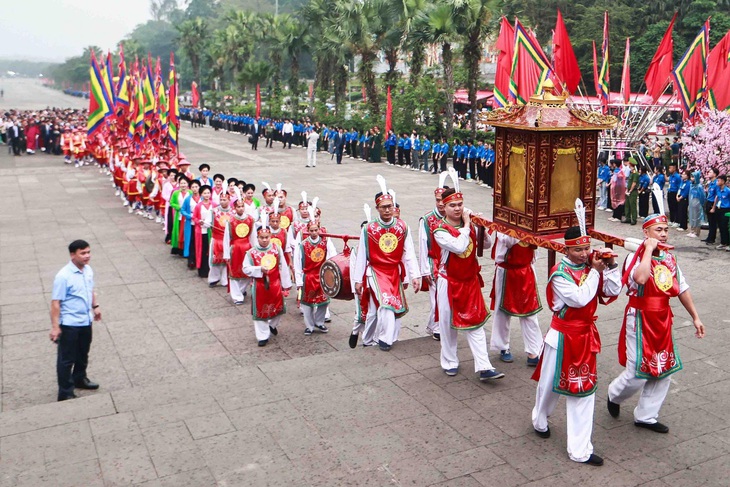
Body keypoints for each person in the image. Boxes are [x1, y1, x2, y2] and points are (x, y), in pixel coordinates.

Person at [531, 225, 622, 466]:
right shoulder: (559, 272)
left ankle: (580, 449)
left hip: (584, 337)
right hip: (561, 337)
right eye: (578, 249)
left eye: (586, 248)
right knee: (549, 384)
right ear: (567, 249)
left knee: (583, 390)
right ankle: (539, 420)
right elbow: (579, 299)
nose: (584, 254)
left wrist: (611, 266)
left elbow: (613, 290)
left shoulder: (592, 267)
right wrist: (594, 271)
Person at [607, 212, 705, 433]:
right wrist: (649, 250)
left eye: (665, 230)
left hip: (662, 318)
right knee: (637, 371)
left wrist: (695, 317)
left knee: (664, 368)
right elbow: (640, 278)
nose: (663, 234)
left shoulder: (670, 258)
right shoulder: (635, 256)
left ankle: (646, 415)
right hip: (640, 317)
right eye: (658, 230)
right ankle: (614, 394)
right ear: (646, 232)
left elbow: (682, 287)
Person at [433, 185, 504, 381]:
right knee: (448, 324)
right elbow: (459, 246)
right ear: (444, 207)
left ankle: (484, 367)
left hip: (469, 281)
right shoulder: (440, 230)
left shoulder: (469, 225)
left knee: (475, 322)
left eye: (460, 205)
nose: (457, 209)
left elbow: (487, 245)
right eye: (453, 205)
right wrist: (467, 225)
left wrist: (480, 227)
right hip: (449, 282)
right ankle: (449, 362)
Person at [353, 177, 420, 351]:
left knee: (380, 308)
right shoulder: (368, 229)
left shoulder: (402, 227)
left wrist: (415, 275)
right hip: (376, 271)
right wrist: (358, 279)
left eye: (390, 206)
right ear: (377, 209)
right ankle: (385, 339)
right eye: (383, 207)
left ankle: (370, 338)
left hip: (394, 272)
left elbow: (410, 252)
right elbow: (362, 255)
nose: (387, 210)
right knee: (387, 303)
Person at [50, 240, 101, 402]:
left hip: (86, 320)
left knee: (82, 353)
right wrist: (55, 327)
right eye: (83, 253)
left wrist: (96, 306)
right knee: (66, 358)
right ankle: (65, 391)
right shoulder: (63, 276)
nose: (87, 256)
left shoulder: (88, 270)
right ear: (73, 255)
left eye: (88, 252)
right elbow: (55, 303)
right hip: (70, 323)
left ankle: (80, 378)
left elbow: (90, 288)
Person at [490, 232, 542, 366]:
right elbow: (507, 240)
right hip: (507, 271)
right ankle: (502, 346)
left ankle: (534, 351)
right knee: (502, 311)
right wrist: (522, 227)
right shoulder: (504, 223)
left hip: (526, 270)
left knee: (530, 312)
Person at [243, 214, 293, 346]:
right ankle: (262, 336)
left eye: (267, 237)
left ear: (270, 237)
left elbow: (282, 265)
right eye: (262, 238)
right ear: (257, 237)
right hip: (260, 286)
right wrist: (259, 269)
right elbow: (245, 268)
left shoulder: (276, 249)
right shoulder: (251, 253)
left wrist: (286, 284)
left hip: (275, 284)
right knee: (260, 311)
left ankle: (272, 325)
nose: (264, 240)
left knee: (278, 308)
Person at [294, 219, 337, 335]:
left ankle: (319, 321)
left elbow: (333, 254)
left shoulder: (325, 242)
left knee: (324, 301)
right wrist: (299, 281)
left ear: (319, 229)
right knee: (307, 304)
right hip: (308, 277)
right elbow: (297, 263)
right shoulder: (302, 245)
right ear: (308, 231)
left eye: (316, 230)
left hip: (322, 275)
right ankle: (309, 326)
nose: (314, 233)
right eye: (311, 230)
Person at [418, 174, 448, 341]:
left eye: (444, 200)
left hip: (450, 264)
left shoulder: (453, 217)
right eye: (438, 200)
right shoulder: (427, 219)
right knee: (436, 298)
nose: (441, 203)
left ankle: (435, 325)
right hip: (433, 262)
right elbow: (423, 245)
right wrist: (425, 269)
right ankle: (437, 327)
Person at [224, 197, 256, 304]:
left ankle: (240, 290)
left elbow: (253, 237)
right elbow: (226, 238)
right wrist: (226, 253)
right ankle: (237, 296)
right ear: (234, 208)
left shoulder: (250, 220)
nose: (241, 208)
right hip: (235, 249)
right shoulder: (230, 221)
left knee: (247, 272)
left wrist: (255, 251)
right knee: (234, 272)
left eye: (242, 206)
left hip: (247, 248)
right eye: (238, 207)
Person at [209, 191, 232, 287]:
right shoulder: (214, 211)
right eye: (221, 200)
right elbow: (208, 221)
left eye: (224, 199)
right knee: (216, 260)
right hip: (217, 239)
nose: (222, 202)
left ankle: (225, 280)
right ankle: (214, 278)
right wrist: (204, 222)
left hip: (228, 240)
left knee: (227, 260)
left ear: (229, 200)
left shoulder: (233, 211)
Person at [710, 175, 730, 250]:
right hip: (719, 209)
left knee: (725, 226)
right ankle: (723, 242)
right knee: (720, 226)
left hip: (725, 209)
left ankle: (727, 243)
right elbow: (717, 198)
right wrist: (713, 208)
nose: (717, 182)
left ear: (723, 181)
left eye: (719, 181)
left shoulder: (727, 191)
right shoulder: (718, 189)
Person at [702, 168, 720, 244]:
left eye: (710, 172)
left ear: (715, 174)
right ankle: (709, 237)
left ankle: (712, 238)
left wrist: (714, 207)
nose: (709, 173)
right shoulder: (711, 183)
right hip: (709, 201)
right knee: (710, 221)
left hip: (713, 203)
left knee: (713, 222)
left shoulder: (716, 183)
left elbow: (717, 196)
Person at [687, 170, 705, 238]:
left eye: (693, 177)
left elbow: (702, 196)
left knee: (697, 218)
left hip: (697, 203)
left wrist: (701, 204)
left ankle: (697, 232)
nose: (692, 178)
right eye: (691, 177)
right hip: (692, 203)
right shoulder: (691, 186)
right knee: (692, 217)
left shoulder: (699, 187)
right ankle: (692, 230)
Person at [623, 158, 640, 225]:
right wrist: (627, 189)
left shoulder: (635, 173)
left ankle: (634, 219)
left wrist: (630, 190)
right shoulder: (631, 172)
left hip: (633, 191)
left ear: (630, 164)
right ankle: (628, 218)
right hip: (629, 190)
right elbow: (629, 182)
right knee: (627, 204)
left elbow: (634, 183)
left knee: (632, 205)